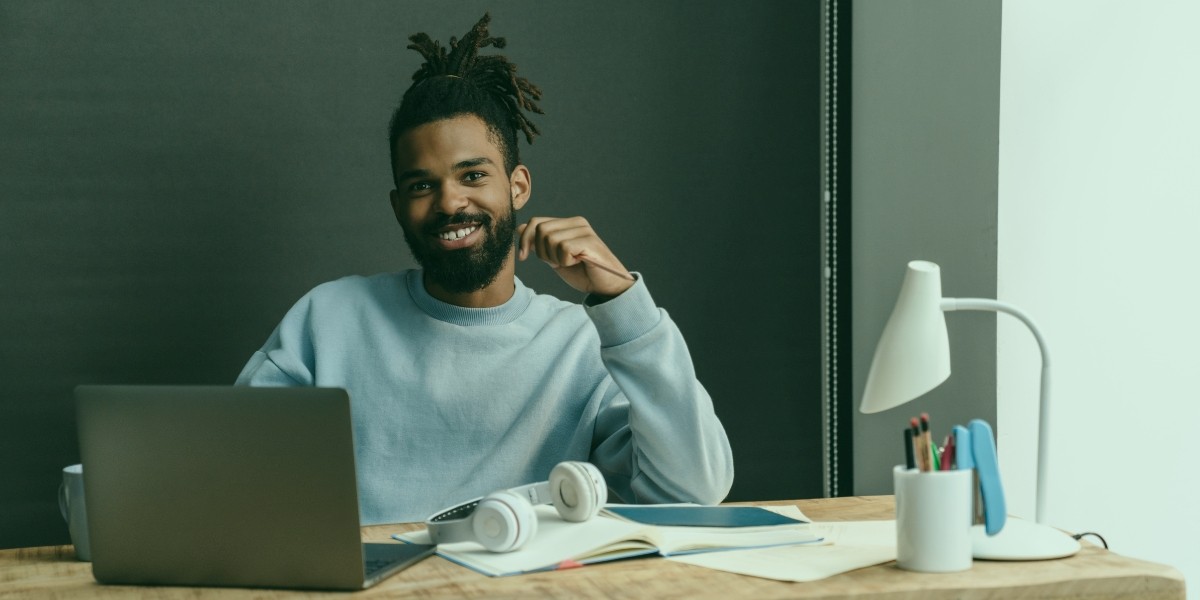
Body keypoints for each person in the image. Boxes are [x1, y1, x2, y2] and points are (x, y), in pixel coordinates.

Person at [236, 14, 733, 525]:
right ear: (398, 204)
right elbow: (232, 474)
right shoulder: (330, 319)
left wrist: (624, 307)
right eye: (421, 185)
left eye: (472, 174)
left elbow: (693, 489)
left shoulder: (580, 346)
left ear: (517, 187)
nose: (450, 202)